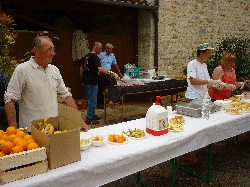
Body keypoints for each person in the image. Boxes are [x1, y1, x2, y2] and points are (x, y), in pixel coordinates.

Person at [4, 36, 88, 132]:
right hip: (32, 131)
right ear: (36, 51)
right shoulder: (22, 70)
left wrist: (80, 121)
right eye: (49, 50)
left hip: (53, 128)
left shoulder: (54, 70)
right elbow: (9, 99)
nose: (53, 53)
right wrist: (13, 131)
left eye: (53, 49)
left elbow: (67, 96)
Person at [80, 42, 110, 125]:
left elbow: (82, 69)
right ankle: (89, 119)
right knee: (92, 100)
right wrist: (108, 72)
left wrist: (82, 79)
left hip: (86, 80)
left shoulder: (86, 56)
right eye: (100, 48)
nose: (101, 50)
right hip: (92, 81)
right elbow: (99, 68)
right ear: (95, 47)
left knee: (90, 99)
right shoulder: (95, 57)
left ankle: (92, 115)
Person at [97, 43, 123, 109]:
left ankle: (109, 102)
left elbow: (115, 65)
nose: (109, 50)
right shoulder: (101, 54)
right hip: (101, 74)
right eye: (108, 49)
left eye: (111, 49)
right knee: (101, 89)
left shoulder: (112, 55)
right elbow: (96, 63)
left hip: (108, 74)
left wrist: (119, 73)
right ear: (105, 49)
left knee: (109, 88)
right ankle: (100, 103)